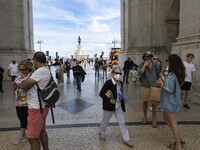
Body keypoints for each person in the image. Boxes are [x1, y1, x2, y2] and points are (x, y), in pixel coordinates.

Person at [12, 51, 50, 150]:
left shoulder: (39, 71)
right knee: (42, 131)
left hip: (36, 108)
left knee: (32, 137)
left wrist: (18, 85)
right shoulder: (46, 70)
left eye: (33, 60)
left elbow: (25, 85)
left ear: (36, 60)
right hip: (43, 106)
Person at [99, 66, 133, 147]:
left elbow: (120, 93)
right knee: (105, 121)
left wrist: (123, 98)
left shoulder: (120, 83)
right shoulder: (108, 83)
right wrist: (109, 100)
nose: (118, 75)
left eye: (120, 73)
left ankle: (126, 139)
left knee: (122, 122)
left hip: (118, 106)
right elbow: (101, 94)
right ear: (112, 73)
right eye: (116, 73)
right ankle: (102, 132)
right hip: (109, 106)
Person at [159, 54, 186, 150]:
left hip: (169, 102)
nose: (167, 62)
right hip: (172, 101)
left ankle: (178, 145)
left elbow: (169, 90)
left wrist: (161, 83)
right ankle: (179, 139)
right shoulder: (176, 74)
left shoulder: (171, 76)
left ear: (171, 62)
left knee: (173, 123)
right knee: (165, 118)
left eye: (168, 60)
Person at [138, 51, 161, 128]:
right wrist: (144, 66)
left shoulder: (156, 65)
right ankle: (145, 117)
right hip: (145, 85)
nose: (148, 58)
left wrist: (159, 81)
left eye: (150, 57)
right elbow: (139, 74)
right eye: (147, 57)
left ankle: (154, 120)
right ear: (144, 57)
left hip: (154, 85)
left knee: (154, 103)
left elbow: (158, 74)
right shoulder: (141, 65)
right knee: (145, 102)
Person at [13, 60, 33, 144]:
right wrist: (14, 86)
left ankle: (31, 135)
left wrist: (20, 86)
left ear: (28, 69)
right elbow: (16, 87)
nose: (22, 71)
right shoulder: (18, 75)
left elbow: (29, 87)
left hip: (28, 102)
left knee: (30, 120)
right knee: (22, 119)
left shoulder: (31, 76)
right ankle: (22, 136)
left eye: (24, 69)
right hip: (18, 102)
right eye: (20, 69)